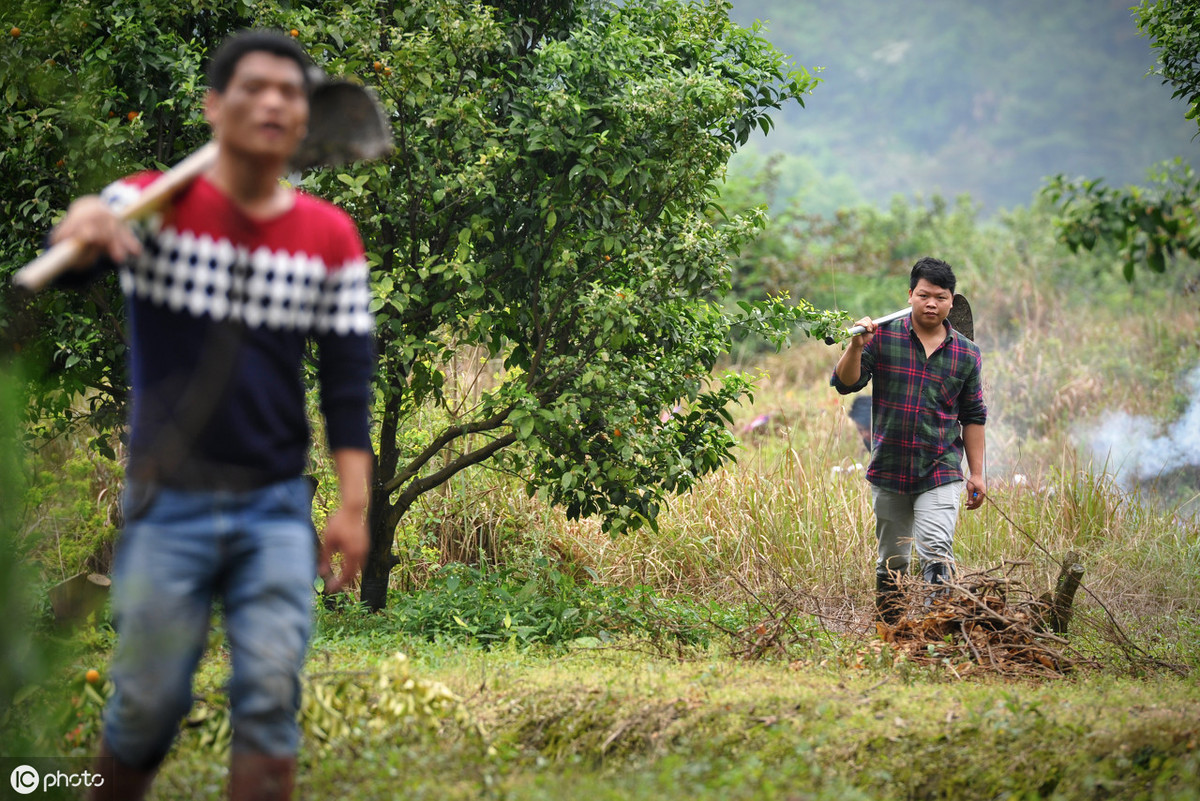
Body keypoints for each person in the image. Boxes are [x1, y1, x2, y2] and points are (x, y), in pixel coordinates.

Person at [46, 30, 375, 800]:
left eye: (290, 93)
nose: (272, 102)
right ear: (214, 107)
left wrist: (353, 504)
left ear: (305, 118)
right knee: (146, 710)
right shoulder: (156, 207)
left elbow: (348, 380)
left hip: (275, 506)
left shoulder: (330, 237)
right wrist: (85, 220)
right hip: (169, 506)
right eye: (253, 88)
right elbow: (87, 239)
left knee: (269, 704)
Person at [830, 257, 986, 625]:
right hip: (889, 468)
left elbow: (974, 416)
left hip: (941, 468)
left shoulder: (967, 353)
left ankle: (937, 632)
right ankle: (892, 630)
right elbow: (846, 383)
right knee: (893, 560)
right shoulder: (883, 337)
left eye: (941, 297)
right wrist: (855, 345)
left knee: (935, 550)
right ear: (910, 295)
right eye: (924, 295)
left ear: (952, 301)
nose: (931, 304)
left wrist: (977, 473)